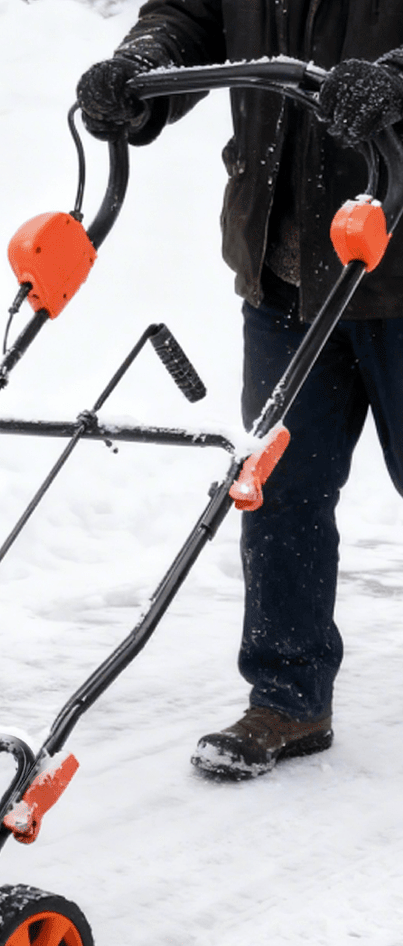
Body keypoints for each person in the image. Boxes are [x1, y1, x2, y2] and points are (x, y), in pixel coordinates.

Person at [76, 2, 403, 780]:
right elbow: (191, 14)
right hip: (285, 268)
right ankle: (288, 698)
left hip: (396, 257)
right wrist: (137, 73)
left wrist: (395, 82)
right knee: (280, 488)